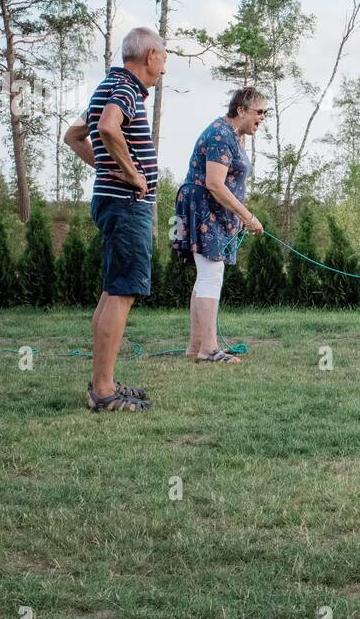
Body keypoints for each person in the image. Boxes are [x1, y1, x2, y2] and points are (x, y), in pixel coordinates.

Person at [62, 26, 165, 412]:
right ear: (150, 56)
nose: (164, 69)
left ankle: (101, 382)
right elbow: (106, 127)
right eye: (164, 58)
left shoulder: (109, 85)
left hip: (112, 200)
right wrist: (133, 174)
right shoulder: (124, 87)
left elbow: (74, 137)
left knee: (112, 291)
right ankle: (103, 391)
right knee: (122, 293)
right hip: (126, 205)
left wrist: (107, 170)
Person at [170, 87, 267, 362]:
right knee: (211, 274)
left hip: (211, 208)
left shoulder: (234, 135)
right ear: (240, 111)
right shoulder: (220, 134)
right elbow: (214, 183)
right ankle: (209, 349)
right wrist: (247, 216)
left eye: (265, 113)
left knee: (206, 274)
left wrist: (238, 216)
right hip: (202, 206)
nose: (262, 117)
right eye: (258, 112)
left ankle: (196, 346)